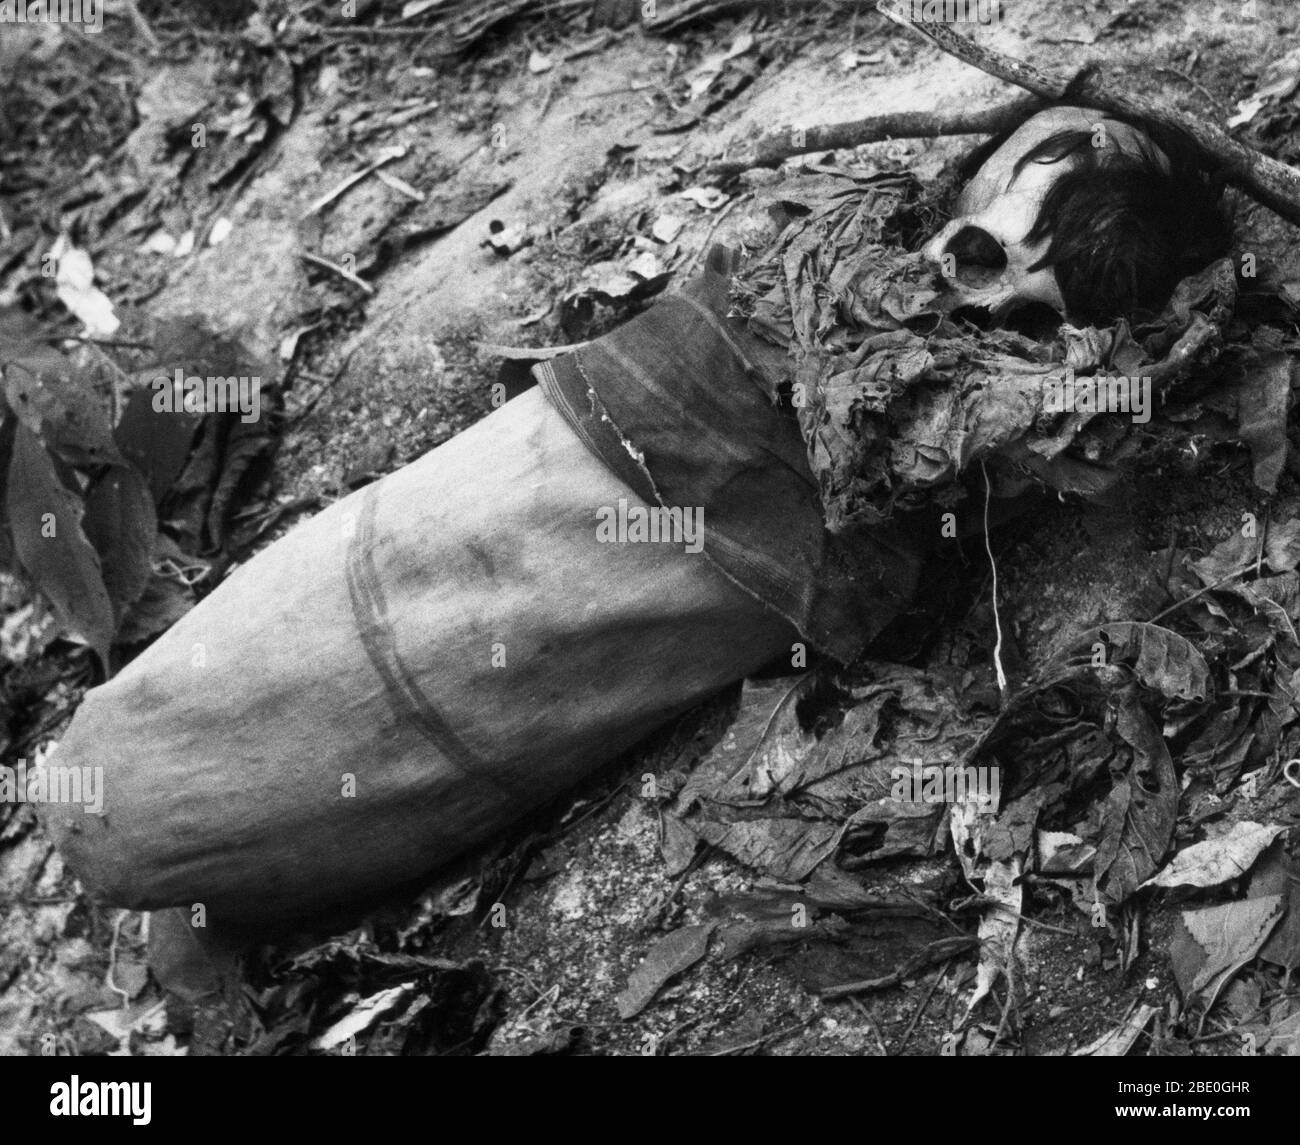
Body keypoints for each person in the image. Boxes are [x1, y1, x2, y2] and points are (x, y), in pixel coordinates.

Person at [36, 104, 1234, 934]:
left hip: (684, 587)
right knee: (336, 630)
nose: (979, 300)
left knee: (436, 724)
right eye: (979, 253)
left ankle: (201, 868)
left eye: (1032, 308)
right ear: (951, 207)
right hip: (558, 464)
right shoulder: (818, 249)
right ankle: (163, 824)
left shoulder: (977, 420)